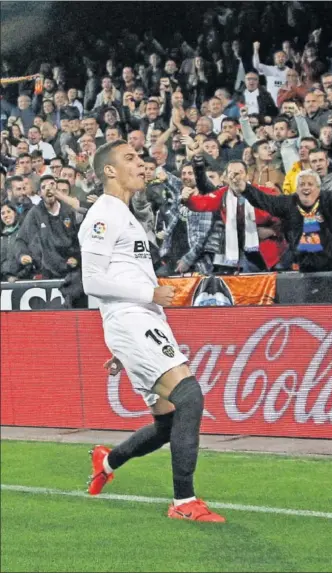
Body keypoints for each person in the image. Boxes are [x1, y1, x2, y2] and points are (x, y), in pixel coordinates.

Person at [78, 140, 225, 523]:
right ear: (109, 170)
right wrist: (148, 296)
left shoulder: (126, 215)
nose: (140, 164)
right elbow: (92, 281)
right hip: (132, 318)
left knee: (167, 422)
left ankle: (106, 461)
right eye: (130, 158)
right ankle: (184, 502)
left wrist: (126, 342)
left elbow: (122, 273)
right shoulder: (102, 213)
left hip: (141, 322)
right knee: (189, 396)